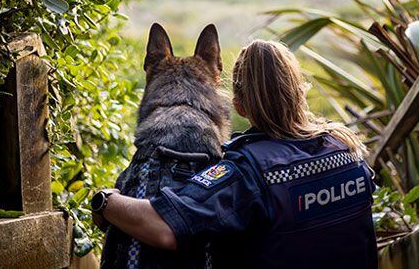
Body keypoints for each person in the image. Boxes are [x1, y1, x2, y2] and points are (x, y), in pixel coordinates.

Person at [92, 40, 378, 269]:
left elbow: (164, 227)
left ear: (239, 106)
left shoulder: (247, 171)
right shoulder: (347, 150)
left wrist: (106, 201)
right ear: (300, 92)